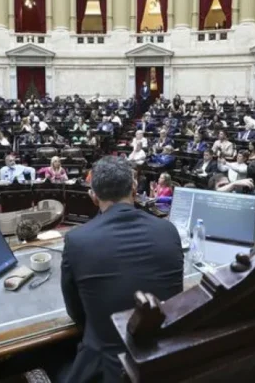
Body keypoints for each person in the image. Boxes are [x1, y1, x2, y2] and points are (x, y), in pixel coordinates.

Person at [61, 156, 183, 383]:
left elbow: (75, 312)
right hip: (166, 364)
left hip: (110, 371)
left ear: (93, 196)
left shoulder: (77, 240)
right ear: (135, 189)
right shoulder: (168, 230)